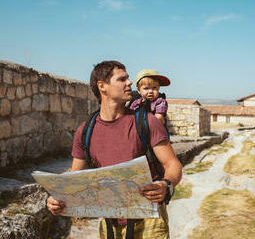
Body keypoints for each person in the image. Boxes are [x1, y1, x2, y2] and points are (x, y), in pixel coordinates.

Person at [46, 61, 182, 239]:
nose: (130, 83)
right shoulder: (85, 131)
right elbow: (74, 180)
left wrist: (165, 184)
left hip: (150, 221)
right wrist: (56, 199)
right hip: (109, 223)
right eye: (122, 79)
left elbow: (173, 165)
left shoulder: (147, 122)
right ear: (102, 86)